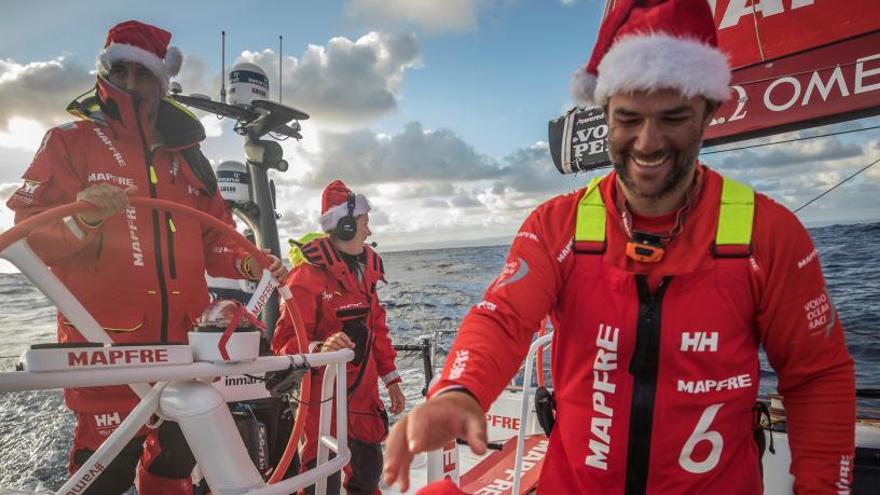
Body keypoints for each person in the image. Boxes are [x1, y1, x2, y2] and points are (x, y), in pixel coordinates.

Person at [383, 1, 856, 494]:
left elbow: (817, 375)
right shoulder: (557, 225)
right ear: (605, 112)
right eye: (629, 118)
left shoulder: (770, 233)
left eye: (673, 118)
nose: (648, 142)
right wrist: (460, 389)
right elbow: (503, 316)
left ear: (709, 110)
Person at [6, 20, 286, 494]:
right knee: (102, 478)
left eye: (144, 73)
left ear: (162, 80)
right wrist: (87, 218)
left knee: (174, 470)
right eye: (123, 70)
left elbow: (215, 240)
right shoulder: (69, 143)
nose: (132, 82)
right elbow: (29, 238)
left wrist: (247, 262)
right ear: (106, 71)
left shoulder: (191, 159)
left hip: (186, 353)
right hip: (108, 355)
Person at [272, 180, 405, 495]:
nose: (369, 232)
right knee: (322, 479)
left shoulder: (365, 273)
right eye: (364, 224)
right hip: (324, 399)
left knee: (368, 472)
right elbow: (284, 342)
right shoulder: (305, 277)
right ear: (344, 226)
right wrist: (323, 349)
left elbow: (378, 330)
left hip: (364, 397)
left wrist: (392, 377)